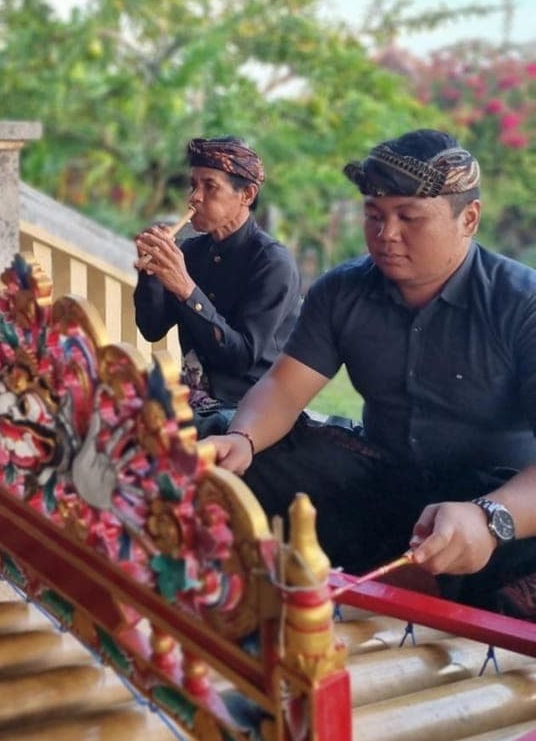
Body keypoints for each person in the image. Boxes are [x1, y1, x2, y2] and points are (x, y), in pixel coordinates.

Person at [206, 129, 536, 618]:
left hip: (499, 501)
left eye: (409, 218)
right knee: (226, 444)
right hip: (387, 479)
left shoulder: (521, 303)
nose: (387, 235)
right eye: (375, 216)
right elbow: (282, 387)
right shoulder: (342, 291)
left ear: (469, 218)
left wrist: (492, 519)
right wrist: (244, 438)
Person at [133, 136, 301, 438]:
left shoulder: (273, 263)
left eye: (209, 186)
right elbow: (152, 329)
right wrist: (151, 271)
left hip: (247, 411)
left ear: (246, 195)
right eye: (193, 185)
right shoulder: (192, 252)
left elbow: (240, 359)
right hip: (196, 402)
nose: (194, 197)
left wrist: (186, 288)